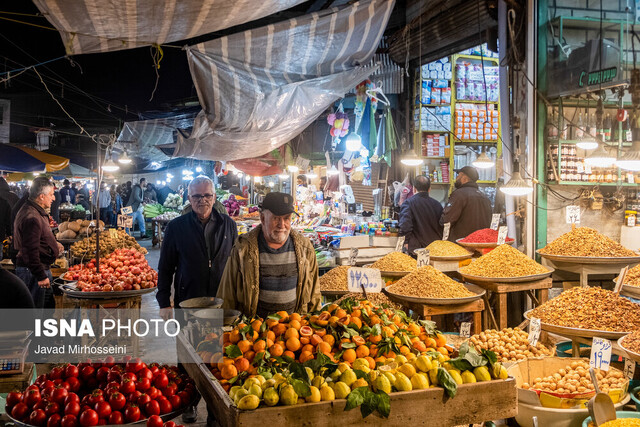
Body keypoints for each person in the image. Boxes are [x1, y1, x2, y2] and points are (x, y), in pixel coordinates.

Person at [217, 192, 321, 318]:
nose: (281, 225)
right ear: (262, 218)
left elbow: (315, 294)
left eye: (286, 218)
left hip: (293, 332)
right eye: (276, 218)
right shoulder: (243, 249)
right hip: (254, 332)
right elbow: (227, 294)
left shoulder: (305, 248)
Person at [157, 175, 237, 317]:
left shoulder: (228, 224)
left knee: (221, 338)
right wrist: (164, 302)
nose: (202, 200)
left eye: (207, 195)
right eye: (196, 196)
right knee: (188, 338)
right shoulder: (176, 227)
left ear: (214, 197)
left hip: (221, 299)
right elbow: (165, 267)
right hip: (188, 300)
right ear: (189, 198)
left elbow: (236, 264)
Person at [13, 177, 63, 308]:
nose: (53, 198)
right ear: (41, 196)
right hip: (33, 273)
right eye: (51, 195)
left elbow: (35, 240)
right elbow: (29, 251)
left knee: (46, 310)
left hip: (36, 270)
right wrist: (40, 276)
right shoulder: (32, 217)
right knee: (35, 315)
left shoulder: (34, 211)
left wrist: (52, 244)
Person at [440, 166, 492, 242]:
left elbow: (447, 219)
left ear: (464, 178)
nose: (456, 178)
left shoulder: (459, 194)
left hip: (462, 245)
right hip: (481, 244)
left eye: (458, 176)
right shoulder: (484, 197)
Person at [399, 176, 443, 256]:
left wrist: (405, 241)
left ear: (414, 189)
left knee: (418, 268)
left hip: (417, 249)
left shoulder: (408, 203)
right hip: (435, 249)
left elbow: (405, 225)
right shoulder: (438, 205)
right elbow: (442, 225)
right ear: (429, 189)